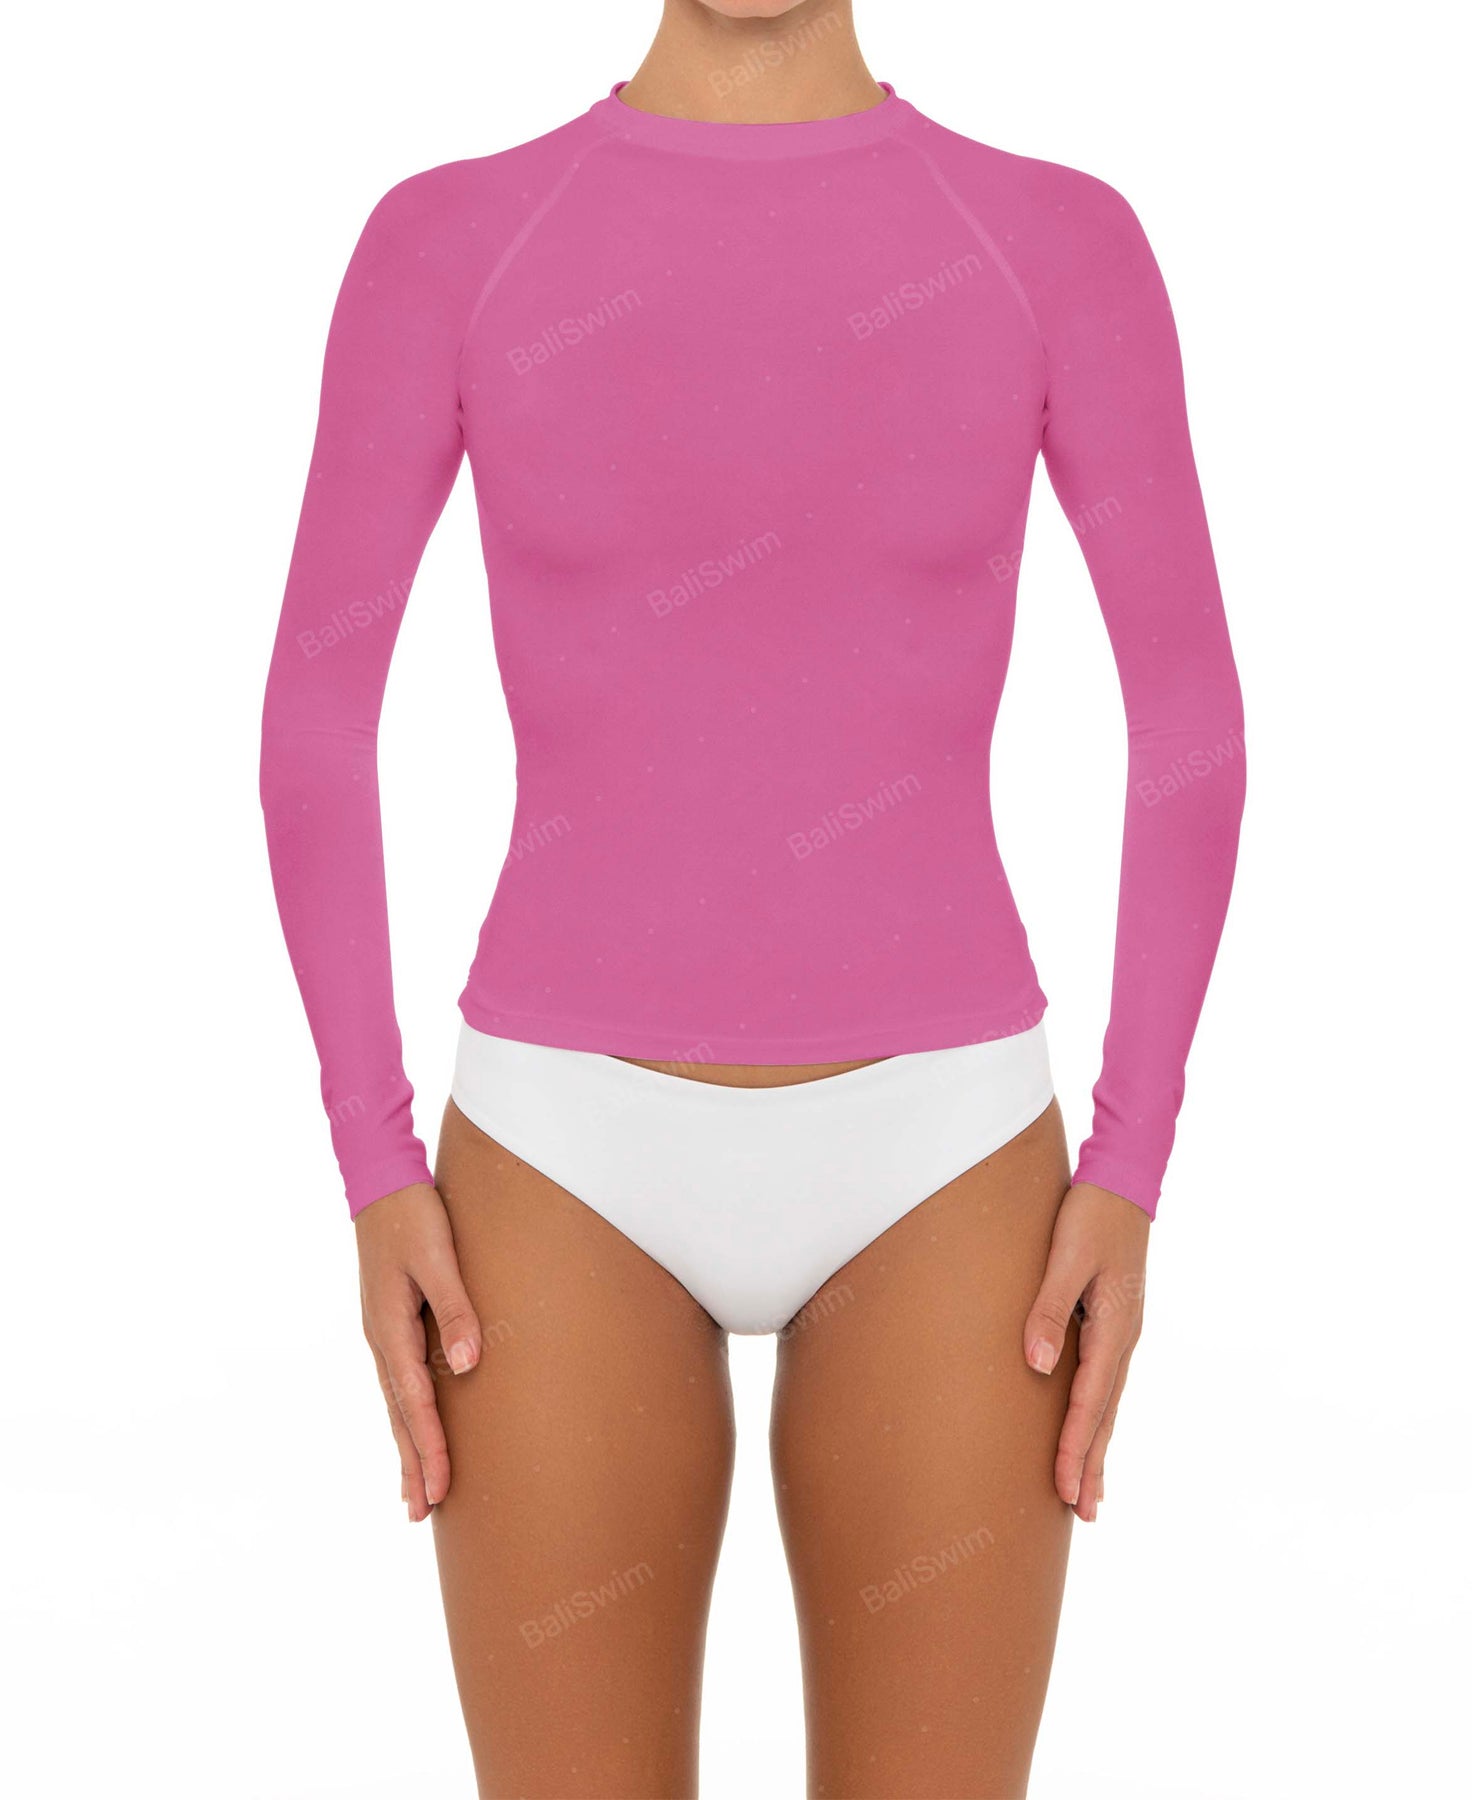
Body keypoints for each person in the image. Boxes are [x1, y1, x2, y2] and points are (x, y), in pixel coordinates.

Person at [259, 1, 1244, 1792]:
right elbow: (318, 718)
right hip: (559, 1156)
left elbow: (1188, 721)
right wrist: (371, 1159)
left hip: (946, 1157)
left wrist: (1133, 1159)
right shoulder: (452, 241)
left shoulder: (1053, 242)